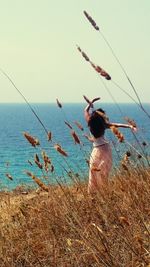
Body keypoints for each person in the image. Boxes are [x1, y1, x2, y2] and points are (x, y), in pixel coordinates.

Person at [84, 97, 136, 193]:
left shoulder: (90, 122)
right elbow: (117, 125)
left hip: (96, 150)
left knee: (93, 171)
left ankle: (94, 192)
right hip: (105, 149)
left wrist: (91, 102)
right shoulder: (104, 124)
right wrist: (130, 126)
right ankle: (102, 191)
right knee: (103, 172)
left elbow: (85, 110)